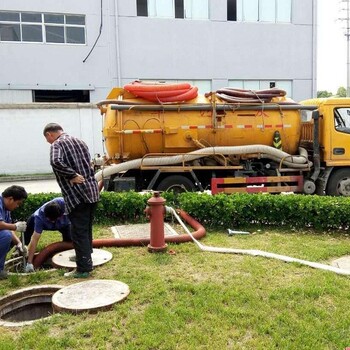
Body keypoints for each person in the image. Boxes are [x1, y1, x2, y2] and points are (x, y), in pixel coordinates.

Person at [43, 123, 100, 278]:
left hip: (77, 195)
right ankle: (85, 255)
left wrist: (71, 175)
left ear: (49, 134)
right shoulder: (80, 141)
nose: (48, 142)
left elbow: (55, 161)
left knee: (77, 231)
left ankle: (84, 269)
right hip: (92, 191)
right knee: (86, 227)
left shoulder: (57, 144)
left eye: (47, 139)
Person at [24, 197, 72, 273]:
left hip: (64, 224)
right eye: (50, 220)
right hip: (37, 221)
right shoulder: (39, 217)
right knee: (25, 235)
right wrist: (30, 262)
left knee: (70, 240)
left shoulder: (65, 203)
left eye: (54, 220)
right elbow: (35, 239)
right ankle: (21, 252)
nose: (52, 222)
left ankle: (65, 255)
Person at [0, 185, 28, 279]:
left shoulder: (6, 209)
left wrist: (19, 244)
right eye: (18, 203)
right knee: (5, 236)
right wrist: (15, 226)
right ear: (10, 199)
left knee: (9, 237)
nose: (17, 206)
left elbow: (8, 228)